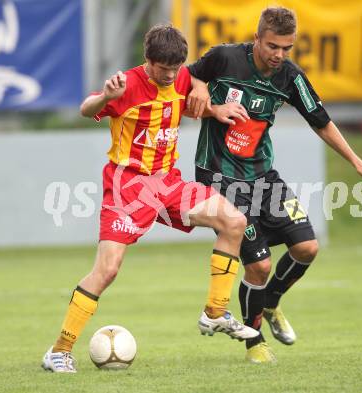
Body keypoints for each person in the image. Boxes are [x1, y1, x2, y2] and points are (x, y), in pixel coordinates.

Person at [42, 24, 258, 373]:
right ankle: (59, 350)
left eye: (176, 69)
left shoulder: (180, 79)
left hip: (168, 184)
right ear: (148, 61)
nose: (171, 75)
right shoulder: (126, 85)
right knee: (107, 270)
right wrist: (105, 98)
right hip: (128, 187)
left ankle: (215, 312)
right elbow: (86, 108)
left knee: (233, 221)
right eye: (163, 69)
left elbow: (188, 101)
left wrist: (214, 110)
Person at [187, 7, 362, 363]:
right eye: (273, 46)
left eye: (286, 48)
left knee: (307, 247)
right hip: (219, 177)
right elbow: (186, 81)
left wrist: (357, 162)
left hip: (263, 176)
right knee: (258, 266)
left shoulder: (290, 77)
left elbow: (321, 121)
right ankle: (254, 343)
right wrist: (205, 95)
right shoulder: (223, 58)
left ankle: (272, 302)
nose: (279, 54)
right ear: (257, 38)